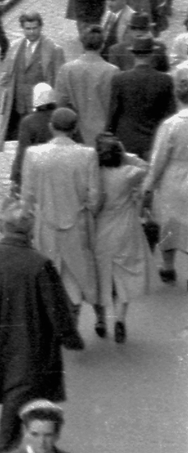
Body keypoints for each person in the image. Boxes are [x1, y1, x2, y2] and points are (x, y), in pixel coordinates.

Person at [0, 201, 84, 453]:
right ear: (31, 231)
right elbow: (57, 308)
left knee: (12, 398)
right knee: (18, 400)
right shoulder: (38, 264)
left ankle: (14, 452)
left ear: (2, 226)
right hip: (28, 346)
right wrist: (71, 339)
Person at [21, 108, 104, 336]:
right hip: (76, 224)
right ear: (75, 128)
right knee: (79, 273)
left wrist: (26, 218)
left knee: (48, 273)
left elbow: (27, 195)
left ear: (51, 126)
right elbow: (95, 196)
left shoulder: (33, 154)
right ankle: (75, 319)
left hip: (45, 224)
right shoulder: (87, 155)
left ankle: (51, 323)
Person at [93, 134, 149, 344]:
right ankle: (120, 319)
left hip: (101, 228)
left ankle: (100, 319)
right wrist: (125, 154)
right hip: (125, 227)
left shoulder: (95, 174)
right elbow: (146, 167)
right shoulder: (128, 173)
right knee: (124, 275)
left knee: (99, 276)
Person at [0, 12, 66, 152]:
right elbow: (6, 75)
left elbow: (60, 82)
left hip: (41, 107)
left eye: (35, 28)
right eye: (27, 29)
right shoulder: (15, 47)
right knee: (20, 145)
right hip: (18, 106)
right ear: (22, 29)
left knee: (41, 145)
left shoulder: (53, 49)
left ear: (41, 27)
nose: (32, 32)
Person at [145, 65, 188, 285]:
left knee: (170, 224)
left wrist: (149, 184)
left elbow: (159, 158)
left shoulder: (170, 125)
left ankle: (169, 267)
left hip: (173, 177)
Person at [109, 35, 176, 160]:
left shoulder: (120, 79)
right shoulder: (165, 80)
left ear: (133, 54)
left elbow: (113, 113)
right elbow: (170, 113)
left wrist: (109, 134)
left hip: (126, 140)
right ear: (152, 54)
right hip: (153, 140)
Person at [53, 26, 117, 146]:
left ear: (82, 44)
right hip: (104, 135)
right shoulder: (112, 71)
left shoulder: (66, 69)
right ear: (102, 45)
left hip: (75, 133)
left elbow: (60, 102)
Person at [12, 82, 59, 190]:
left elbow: (22, 151)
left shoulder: (29, 121)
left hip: (38, 170)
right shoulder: (60, 116)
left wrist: (16, 178)